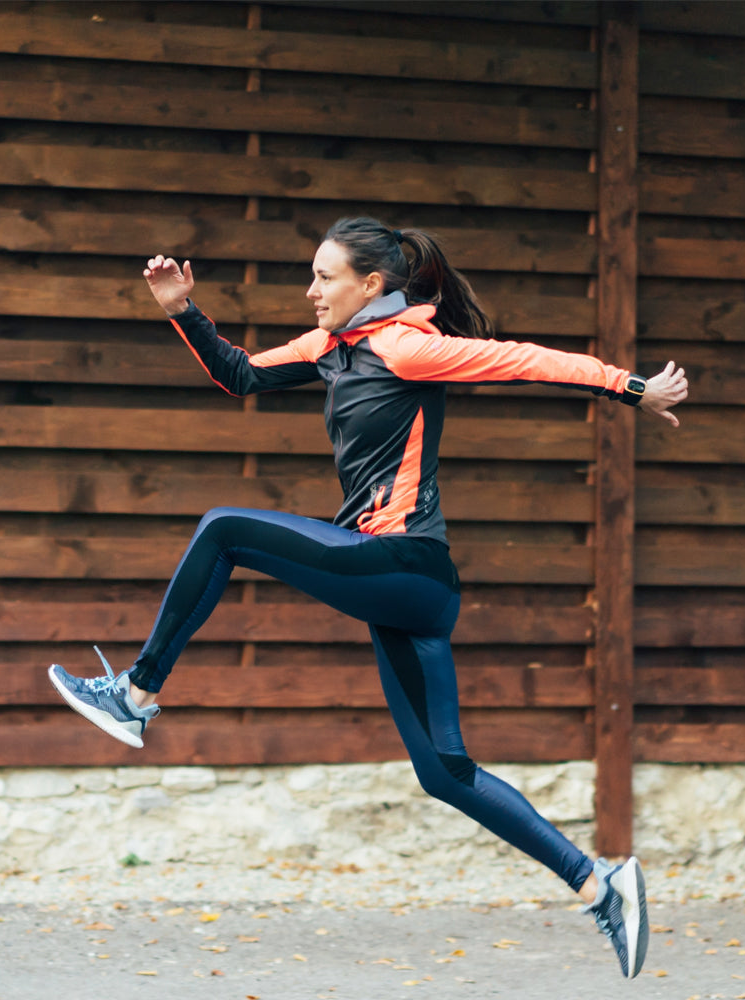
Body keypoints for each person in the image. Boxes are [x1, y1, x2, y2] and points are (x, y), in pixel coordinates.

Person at [47, 216, 688, 980]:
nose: (311, 290)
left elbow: (523, 360)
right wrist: (182, 309)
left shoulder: (408, 346)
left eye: (325, 277)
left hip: (405, 563)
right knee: (444, 772)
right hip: (400, 587)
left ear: (370, 285)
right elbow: (241, 375)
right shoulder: (332, 349)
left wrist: (633, 387)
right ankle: (600, 884)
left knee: (224, 529)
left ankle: (138, 693)